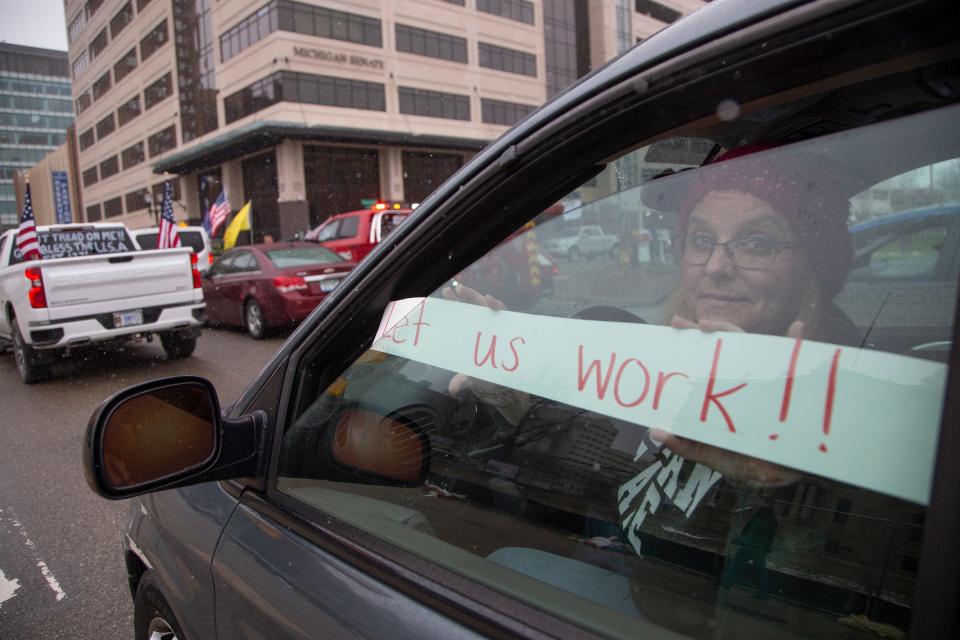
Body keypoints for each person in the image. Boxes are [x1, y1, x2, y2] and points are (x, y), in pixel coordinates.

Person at [446, 142, 860, 487]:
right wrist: (514, 402)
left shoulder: (843, 407)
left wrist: (767, 486)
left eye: (757, 243)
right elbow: (611, 465)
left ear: (813, 265)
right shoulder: (673, 366)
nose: (716, 266)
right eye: (700, 239)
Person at [719, 497, 778, 600]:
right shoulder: (768, 515)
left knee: (736, 565)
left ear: (767, 504)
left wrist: (741, 539)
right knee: (758, 570)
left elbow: (753, 530)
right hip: (758, 547)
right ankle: (764, 594)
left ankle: (725, 584)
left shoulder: (764, 515)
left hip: (752, 546)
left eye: (760, 501)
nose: (757, 502)